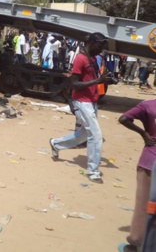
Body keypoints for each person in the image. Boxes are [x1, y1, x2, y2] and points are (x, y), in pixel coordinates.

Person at [49, 32, 115, 184]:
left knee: (84, 134)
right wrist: (98, 81)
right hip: (82, 101)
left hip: (92, 100)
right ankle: (93, 171)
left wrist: (105, 81)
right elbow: (74, 84)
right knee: (96, 135)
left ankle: (56, 144)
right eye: (100, 45)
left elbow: (90, 79)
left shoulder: (92, 57)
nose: (102, 48)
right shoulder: (80, 58)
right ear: (91, 43)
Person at [118, 99, 156, 251]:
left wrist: (143, 133)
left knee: (143, 204)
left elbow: (124, 118)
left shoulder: (148, 105)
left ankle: (134, 244)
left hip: (149, 160)